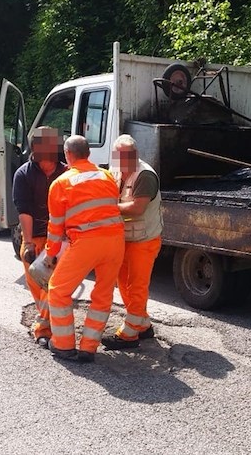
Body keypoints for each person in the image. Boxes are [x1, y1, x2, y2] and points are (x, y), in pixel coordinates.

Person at [41, 135, 125, 362]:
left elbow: (56, 226)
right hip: (116, 240)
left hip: (87, 242)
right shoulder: (107, 176)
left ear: (68, 155)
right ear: (88, 154)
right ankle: (89, 348)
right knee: (103, 294)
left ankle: (64, 345)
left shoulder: (61, 183)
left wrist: (50, 254)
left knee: (58, 290)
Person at [101, 134, 163, 350]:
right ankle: (142, 324)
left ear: (135, 154)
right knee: (124, 283)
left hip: (144, 240)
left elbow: (137, 208)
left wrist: (108, 208)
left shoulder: (145, 175)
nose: (121, 159)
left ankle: (128, 335)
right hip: (125, 238)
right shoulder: (116, 169)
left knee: (136, 285)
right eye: (118, 155)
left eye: (126, 155)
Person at [12, 126, 67, 349]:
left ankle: (56, 326)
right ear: (34, 148)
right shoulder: (23, 174)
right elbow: (24, 210)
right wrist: (28, 244)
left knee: (58, 283)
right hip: (35, 235)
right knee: (38, 282)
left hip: (61, 237)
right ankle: (45, 328)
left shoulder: (66, 172)